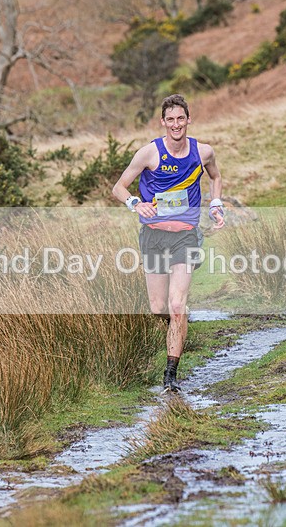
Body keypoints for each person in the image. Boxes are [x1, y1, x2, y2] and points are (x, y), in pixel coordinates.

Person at [112, 94, 225, 393]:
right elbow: (118, 187)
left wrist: (216, 204)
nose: (176, 125)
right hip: (154, 236)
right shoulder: (149, 153)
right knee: (158, 306)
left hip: (185, 236)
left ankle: (170, 377)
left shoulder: (203, 152)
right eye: (170, 119)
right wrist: (136, 203)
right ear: (163, 122)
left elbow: (215, 177)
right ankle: (180, 324)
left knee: (176, 305)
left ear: (189, 120)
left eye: (181, 119)